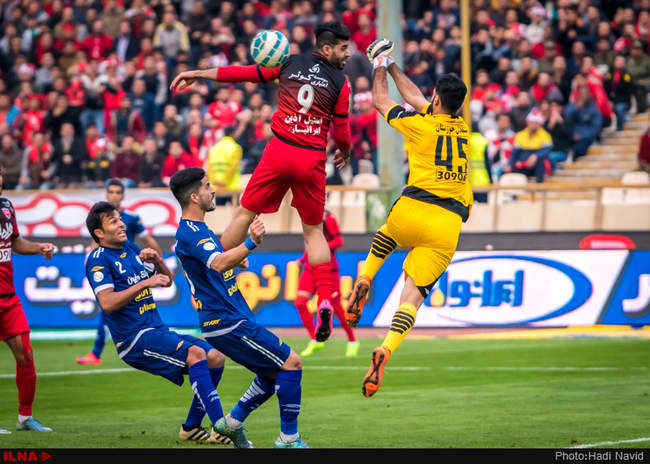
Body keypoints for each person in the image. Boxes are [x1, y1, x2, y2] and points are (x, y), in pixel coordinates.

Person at [169, 22, 353, 345]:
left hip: (280, 151)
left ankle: (213, 272)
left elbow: (240, 74)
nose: (348, 53)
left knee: (244, 214)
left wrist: (199, 73)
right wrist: (345, 151)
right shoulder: (341, 82)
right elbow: (343, 131)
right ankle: (324, 299)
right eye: (343, 48)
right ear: (327, 49)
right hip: (311, 159)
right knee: (313, 232)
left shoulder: (288, 64)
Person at [345, 40, 472, 398]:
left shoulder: (421, 125)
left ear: (436, 101)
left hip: (412, 208)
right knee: (412, 297)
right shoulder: (462, 128)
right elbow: (417, 97)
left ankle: (365, 277)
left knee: (386, 236)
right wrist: (392, 63)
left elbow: (381, 101)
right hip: (447, 224)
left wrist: (379, 67)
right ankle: (386, 348)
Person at [170, 167, 309, 448]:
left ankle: (231, 423)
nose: (213, 190)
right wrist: (250, 243)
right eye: (207, 186)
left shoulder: (198, 230)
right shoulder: (191, 233)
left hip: (230, 317)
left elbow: (216, 263)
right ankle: (288, 439)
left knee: (273, 372)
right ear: (194, 197)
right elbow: (219, 263)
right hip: (225, 321)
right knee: (292, 362)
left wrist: (236, 259)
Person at [84, 201, 233, 446]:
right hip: (133, 339)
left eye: (120, 218)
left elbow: (166, 281)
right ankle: (220, 427)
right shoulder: (97, 260)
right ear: (99, 233)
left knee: (215, 357)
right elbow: (107, 303)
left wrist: (157, 262)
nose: (121, 224)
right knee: (196, 354)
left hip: (155, 329)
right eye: (113, 221)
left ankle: (191, 428)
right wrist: (144, 283)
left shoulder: (131, 248)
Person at [77, 178, 162, 365]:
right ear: (107, 194)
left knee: (113, 310)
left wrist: (159, 259)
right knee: (108, 308)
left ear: (123, 195)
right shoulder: (100, 220)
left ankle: (99, 352)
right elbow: (97, 243)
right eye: (111, 192)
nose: (114, 196)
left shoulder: (131, 217)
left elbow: (147, 238)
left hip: (130, 268)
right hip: (111, 268)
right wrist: (90, 259)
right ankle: (97, 352)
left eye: (118, 192)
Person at [0, 161, 55, 433]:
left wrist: (38, 247)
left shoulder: (6, 207)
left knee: (26, 355)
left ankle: (25, 417)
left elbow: (15, 243)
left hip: (8, 297)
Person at [295, 210, 359, 358]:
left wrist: (322, 247)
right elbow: (310, 244)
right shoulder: (306, 214)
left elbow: (339, 241)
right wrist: (302, 260)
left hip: (327, 267)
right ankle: (315, 339)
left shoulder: (328, 218)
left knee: (336, 307)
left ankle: (352, 341)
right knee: (300, 302)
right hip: (310, 267)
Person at [503, 109, 552, 183]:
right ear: (527, 122)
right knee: (506, 170)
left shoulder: (545, 135)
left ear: (540, 124)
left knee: (541, 162)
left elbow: (547, 151)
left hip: (537, 164)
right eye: (532, 122)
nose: (533, 124)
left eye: (536, 122)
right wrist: (509, 164)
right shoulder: (520, 135)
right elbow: (515, 153)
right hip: (524, 163)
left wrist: (536, 156)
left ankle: (539, 184)